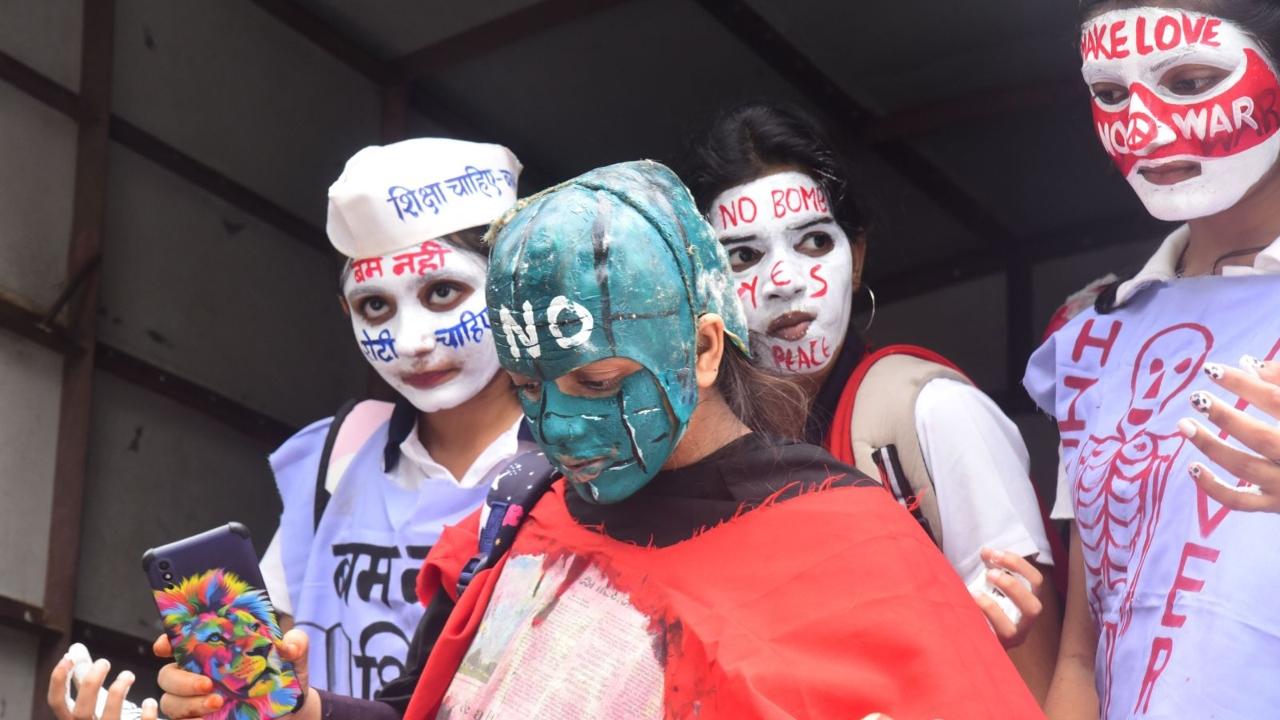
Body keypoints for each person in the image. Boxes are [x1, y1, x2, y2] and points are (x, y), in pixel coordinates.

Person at [149, 161, 1043, 719]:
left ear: (699, 346)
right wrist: (305, 712)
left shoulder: (856, 547)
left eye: (597, 382)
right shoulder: (523, 515)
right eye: (532, 390)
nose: (561, 426)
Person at [682, 102, 1062, 701]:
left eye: (812, 242)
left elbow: (1037, 684)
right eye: (743, 257)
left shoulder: (932, 413)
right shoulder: (698, 451)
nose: (784, 280)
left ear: (855, 257)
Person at [1026, 2, 1280, 718]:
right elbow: (1082, 651)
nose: (1140, 125)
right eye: (1110, 94)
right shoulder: (1092, 342)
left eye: (1192, 80)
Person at [257, 137, 538, 701]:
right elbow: (273, 670)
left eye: (443, 292)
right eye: (375, 306)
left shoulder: (585, 465)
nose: (412, 343)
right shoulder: (336, 456)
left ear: (516, 284)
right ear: (346, 311)